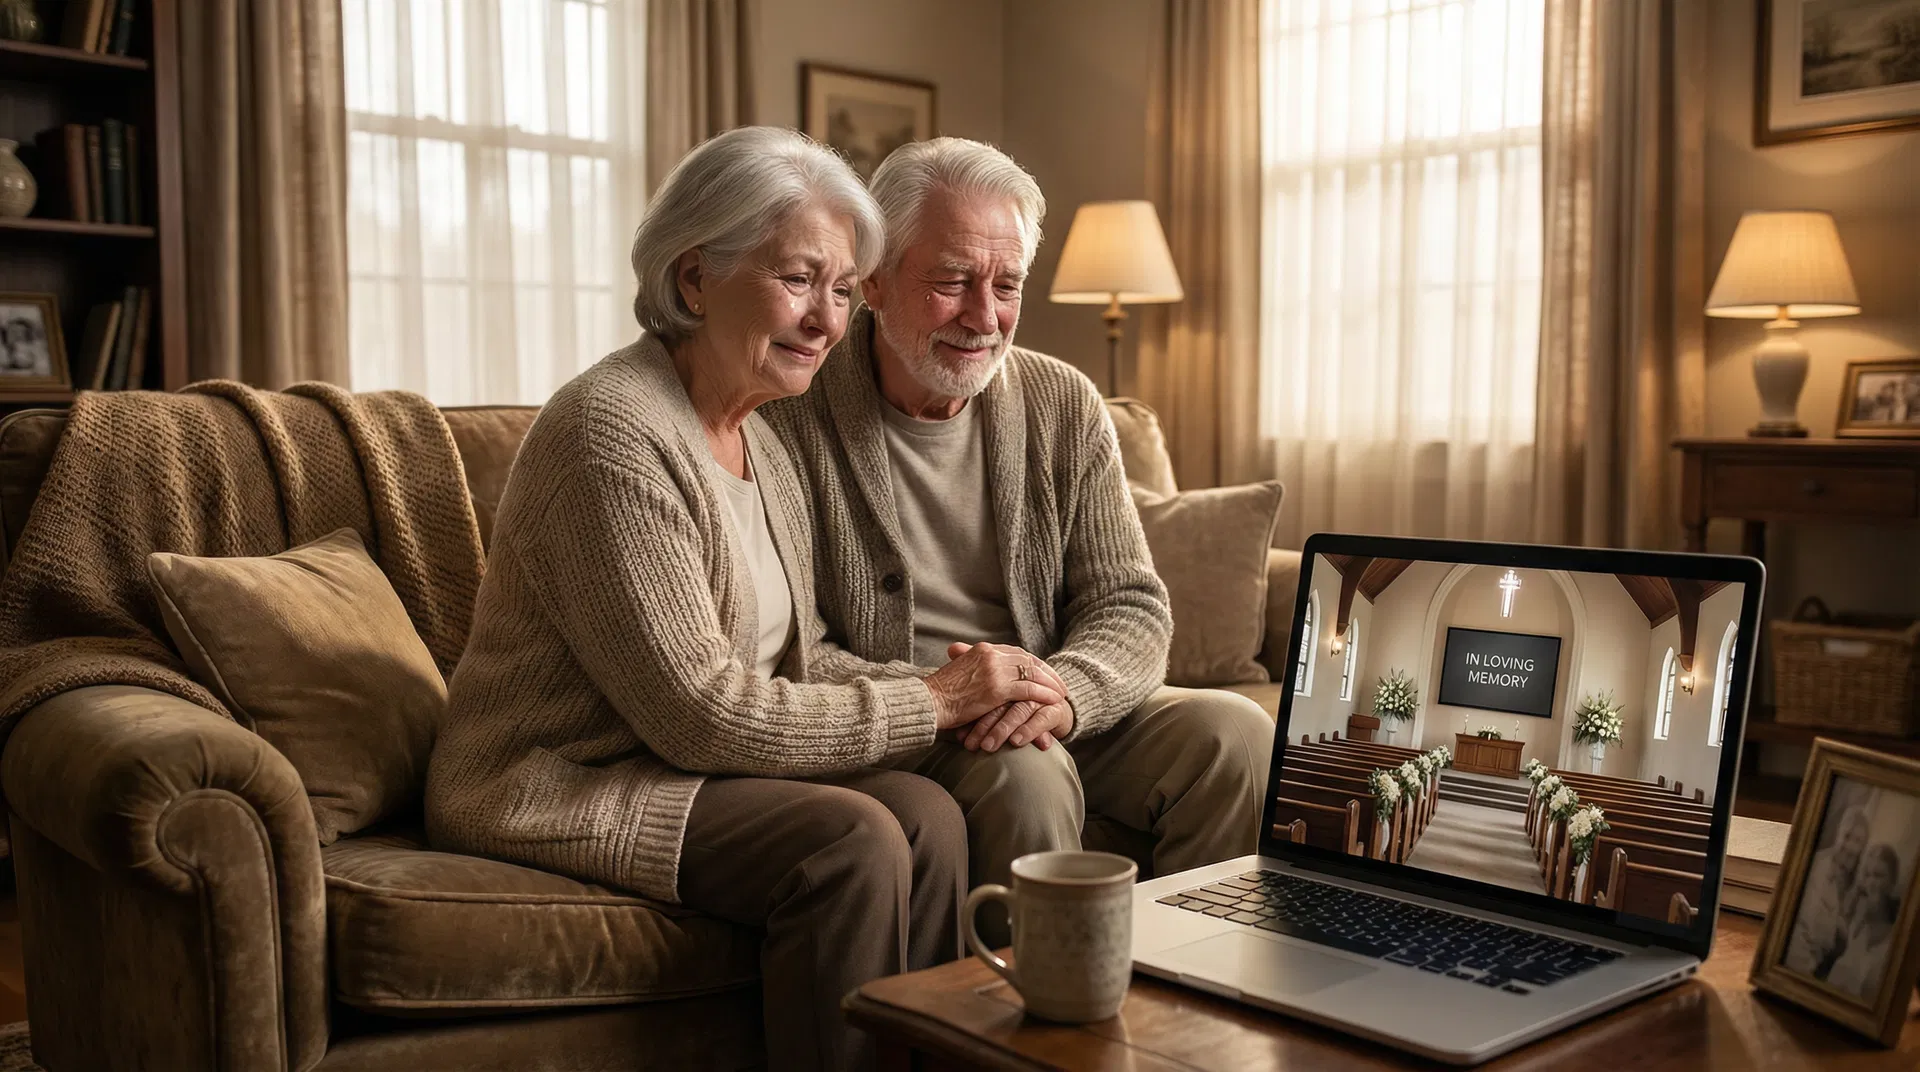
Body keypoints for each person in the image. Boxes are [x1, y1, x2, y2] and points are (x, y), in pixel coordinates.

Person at [425, 127, 1065, 1072]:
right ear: (694, 281)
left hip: (685, 759)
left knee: (927, 812)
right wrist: (936, 702)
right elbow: (703, 715)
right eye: (800, 280)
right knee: (852, 840)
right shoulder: (611, 434)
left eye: (843, 290)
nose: (828, 321)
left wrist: (973, 686)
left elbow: (800, 657)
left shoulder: (761, 434)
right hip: (567, 775)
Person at [763, 137, 1274, 946]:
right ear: (876, 279)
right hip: (904, 716)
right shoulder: (788, 412)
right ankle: (1036, 1035)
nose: (984, 315)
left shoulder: (1063, 401)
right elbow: (793, 643)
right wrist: (946, 698)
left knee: (1236, 735)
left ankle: (1190, 1005)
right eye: (953, 281)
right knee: (1024, 777)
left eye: (1006, 285)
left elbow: (1129, 602)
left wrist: (1064, 695)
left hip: (1046, 700)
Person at [1783, 806, 1869, 978]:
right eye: (1847, 837)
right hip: (1797, 957)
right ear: (1838, 834)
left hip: (1818, 965)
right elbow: (1811, 927)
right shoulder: (1815, 865)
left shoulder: (1855, 883)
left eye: (1858, 841)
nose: (1850, 846)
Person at [1825, 843, 1904, 1000]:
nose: (1871, 882)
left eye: (1878, 875)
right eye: (1867, 874)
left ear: (1892, 882)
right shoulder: (1855, 916)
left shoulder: (1898, 931)